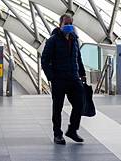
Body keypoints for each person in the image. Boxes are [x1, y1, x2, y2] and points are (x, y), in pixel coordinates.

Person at [41, 14, 86, 145]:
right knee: (57, 108)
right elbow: (45, 61)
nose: (68, 26)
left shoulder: (74, 39)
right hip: (59, 79)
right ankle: (57, 134)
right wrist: (52, 77)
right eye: (66, 24)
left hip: (73, 77)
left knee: (79, 104)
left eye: (70, 23)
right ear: (60, 25)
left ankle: (72, 130)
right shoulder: (53, 40)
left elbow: (78, 58)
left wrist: (82, 74)